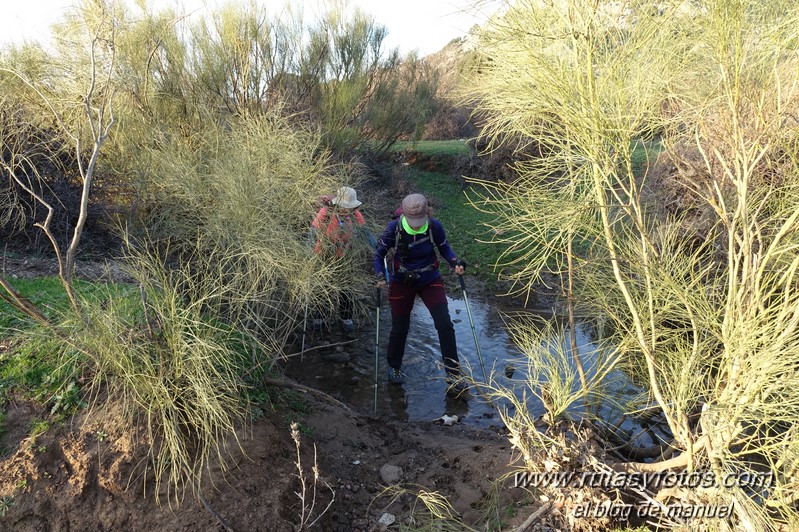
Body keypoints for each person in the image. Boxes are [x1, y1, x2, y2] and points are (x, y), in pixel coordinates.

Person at [373, 193, 468, 397]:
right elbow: (379, 253)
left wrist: (455, 262)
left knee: (444, 324)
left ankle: (453, 374)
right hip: (401, 281)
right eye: (412, 221)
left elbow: (444, 248)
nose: (416, 225)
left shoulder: (434, 226)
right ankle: (394, 367)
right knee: (400, 327)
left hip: (429, 279)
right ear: (405, 214)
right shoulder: (394, 229)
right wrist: (380, 274)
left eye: (420, 220)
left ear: (427, 213)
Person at [310, 186, 369, 332]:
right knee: (323, 286)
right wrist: (309, 253)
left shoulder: (355, 214)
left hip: (345, 255)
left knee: (345, 288)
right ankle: (320, 317)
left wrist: (379, 247)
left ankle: (346, 317)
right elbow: (313, 232)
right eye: (345, 207)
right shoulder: (326, 212)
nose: (347, 210)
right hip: (324, 254)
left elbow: (365, 232)